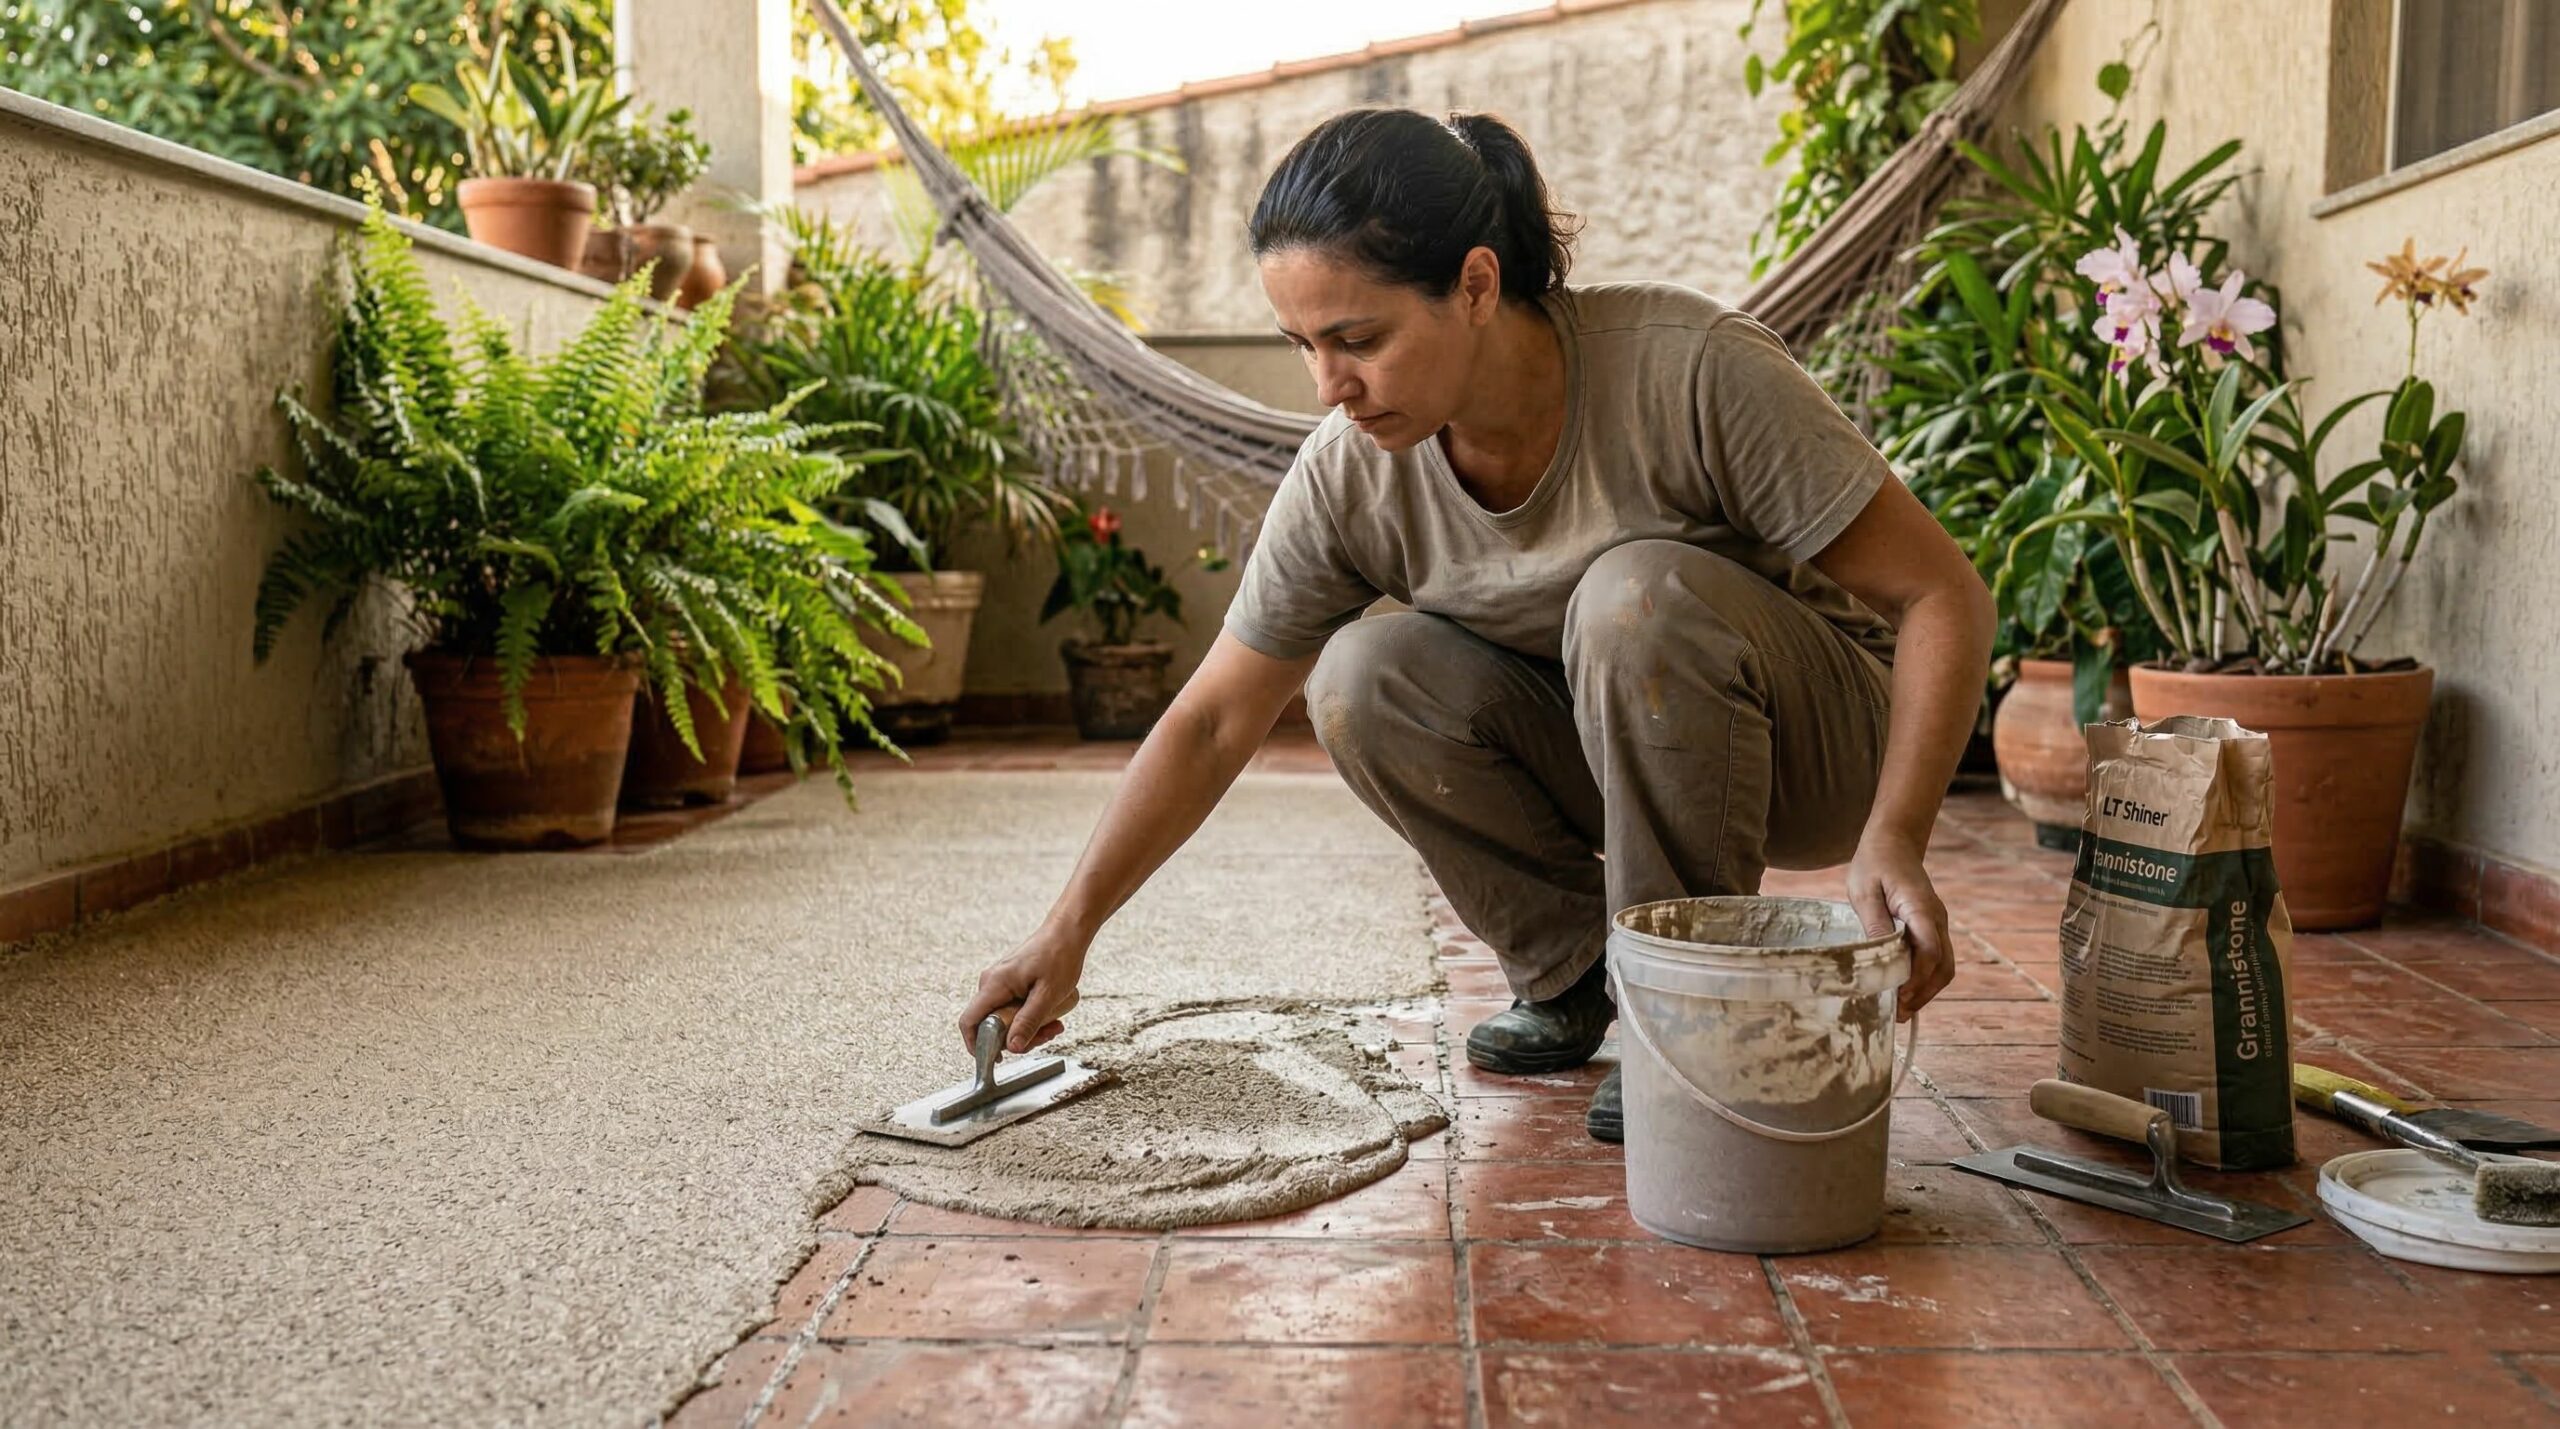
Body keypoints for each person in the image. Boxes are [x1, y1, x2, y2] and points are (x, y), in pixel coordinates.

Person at [960, 106, 1993, 1142]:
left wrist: (1897, 835)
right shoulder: (1351, 471)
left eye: (1359, 339)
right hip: (1620, 752)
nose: (1331, 387)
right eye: (1304, 345)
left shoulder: (1691, 369)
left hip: (1820, 751)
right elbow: (1215, 720)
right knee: (1362, 672)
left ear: (1476, 285)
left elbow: (1941, 595)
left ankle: (1684, 1016)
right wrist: (1068, 931)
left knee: (1634, 596)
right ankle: (1574, 966)